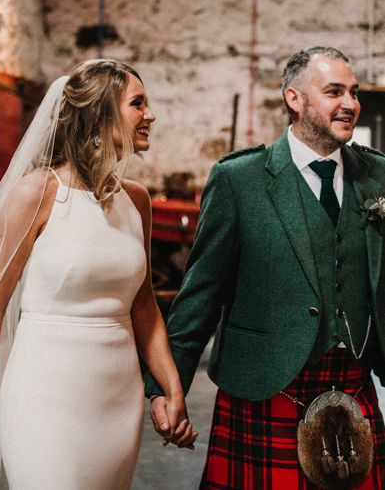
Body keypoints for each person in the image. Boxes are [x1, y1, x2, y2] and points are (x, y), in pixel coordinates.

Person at [0, 59, 197, 489]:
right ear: (101, 114)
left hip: (118, 396)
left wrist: (171, 388)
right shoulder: (37, 194)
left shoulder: (137, 201)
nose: (150, 115)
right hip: (45, 394)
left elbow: (143, 306)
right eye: (138, 104)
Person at [147, 46, 385, 488]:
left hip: (353, 384)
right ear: (295, 99)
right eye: (334, 92)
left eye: (353, 93)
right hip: (265, 386)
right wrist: (168, 388)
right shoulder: (241, 179)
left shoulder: (378, 176)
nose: (350, 104)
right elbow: (201, 293)